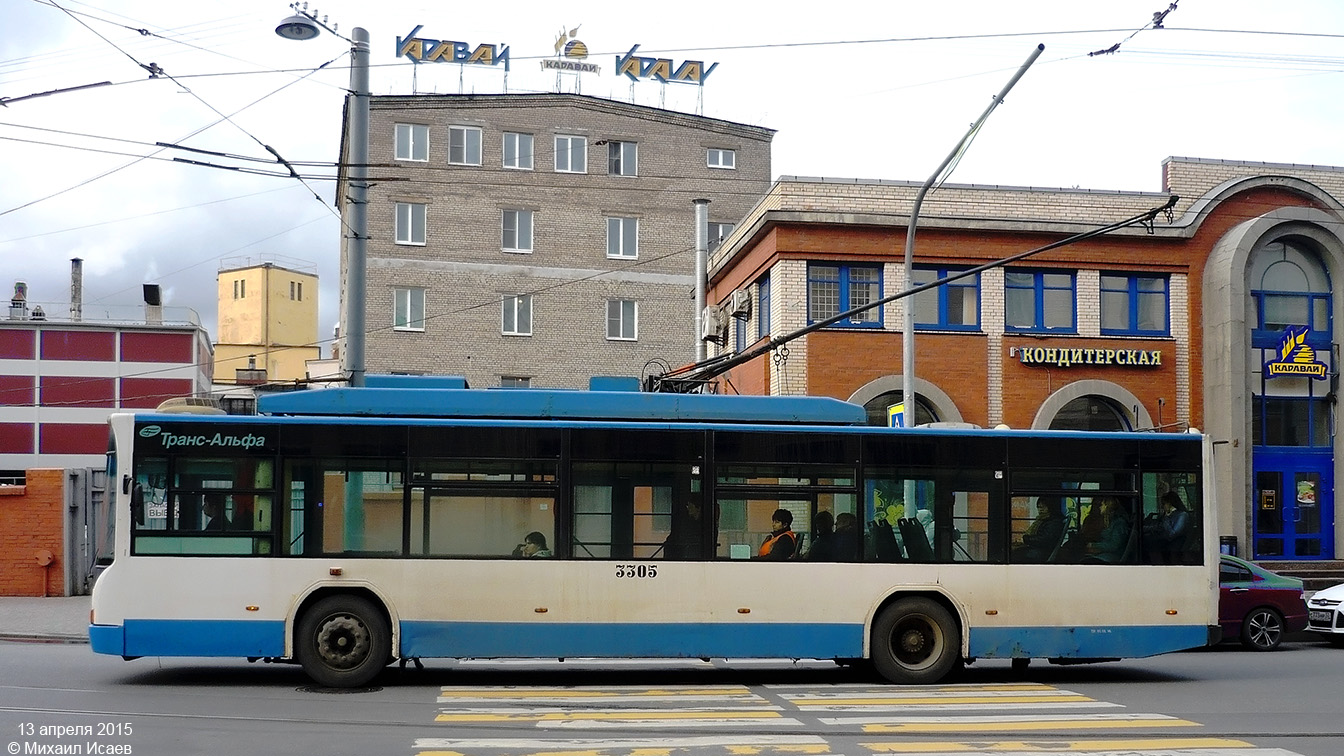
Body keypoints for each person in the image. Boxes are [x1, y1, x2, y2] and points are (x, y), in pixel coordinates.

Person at [1011, 498, 1064, 562]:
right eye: (1038, 507)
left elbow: (1044, 539)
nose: (1040, 510)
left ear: (1050, 507)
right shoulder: (1043, 520)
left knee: (1014, 553)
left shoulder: (1054, 522)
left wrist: (1026, 539)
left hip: (1043, 552)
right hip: (1039, 549)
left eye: (1043, 507)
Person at [1144, 491, 1191, 561]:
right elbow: (1159, 527)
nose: (1163, 507)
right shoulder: (1167, 515)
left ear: (1171, 504)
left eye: (1164, 504)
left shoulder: (1182, 515)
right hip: (1164, 543)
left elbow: (1171, 534)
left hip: (1174, 545)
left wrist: (1167, 517)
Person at [1083, 497, 1131, 563]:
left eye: (1102, 505)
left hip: (1113, 556)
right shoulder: (1109, 522)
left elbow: (1114, 545)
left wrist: (1094, 545)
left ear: (1107, 506)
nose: (1100, 507)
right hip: (1104, 553)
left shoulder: (1119, 523)